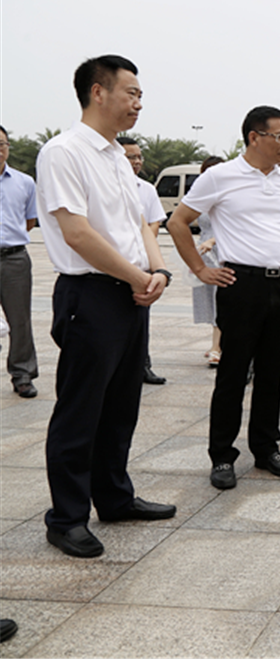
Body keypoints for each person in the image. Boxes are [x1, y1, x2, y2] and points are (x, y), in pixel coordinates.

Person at [36, 54, 176, 558]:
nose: (138, 103)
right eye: (131, 93)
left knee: (120, 406)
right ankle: (67, 518)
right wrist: (138, 277)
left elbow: (140, 223)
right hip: (91, 295)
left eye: (140, 95)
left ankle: (114, 497)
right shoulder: (64, 152)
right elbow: (77, 233)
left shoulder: (117, 155)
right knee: (80, 411)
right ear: (98, 92)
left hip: (130, 294)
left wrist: (157, 271)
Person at [168, 106, 280, 490]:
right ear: (254, 137)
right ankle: (222, 455)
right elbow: (178, 222)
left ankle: (266, 448)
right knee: (233, 373)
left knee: (272, 373)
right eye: (279, 137)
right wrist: (200, 269)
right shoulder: (220, 176)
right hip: (241, 284)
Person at [117, 136, 168, 385]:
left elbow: (154, 222)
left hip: (142, 263)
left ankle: (142, 365)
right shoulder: (108, 185)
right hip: (113, 263)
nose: (137, 161)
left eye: (139, 157)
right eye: (131, 157)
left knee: (141, 319)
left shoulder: (146, 189)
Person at [0, 124, 39, 398]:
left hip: (14, 259)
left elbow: (30, 221)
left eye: (1, 144)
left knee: (20, 319)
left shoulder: (25, 182)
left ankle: (23, 374)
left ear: (8, 147)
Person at [188, 156, 225, 367]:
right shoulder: (200, 197)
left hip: (222, 251)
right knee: (210, 299)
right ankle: (217, 342)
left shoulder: (229, 196)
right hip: (204, 253)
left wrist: (213, 240)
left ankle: (216, 347)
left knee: (221, 299)